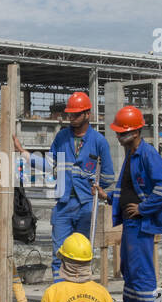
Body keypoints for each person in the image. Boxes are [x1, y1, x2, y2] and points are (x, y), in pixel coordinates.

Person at [105, 105, 162, 302]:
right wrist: (108, 197)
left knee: (142, 271)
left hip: (142, 224)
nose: (117, 136)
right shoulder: (131, 155)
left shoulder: (147, 154)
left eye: (121, 132)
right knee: (129, 269)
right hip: (130, 223)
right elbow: (130, 190)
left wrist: (144, 208)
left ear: (134, 132)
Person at [48, 91, 114, 281]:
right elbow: (50, 163)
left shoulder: (99, 141)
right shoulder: (61, 137)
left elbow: (108, 176)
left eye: (76, 114)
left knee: (82, 252)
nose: (72, 118)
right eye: (70, 114)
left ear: (87, 114)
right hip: (63, 202)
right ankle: (59, 289)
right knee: (59, 252)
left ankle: (79, 289)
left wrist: (96, 187)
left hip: (86, 204)